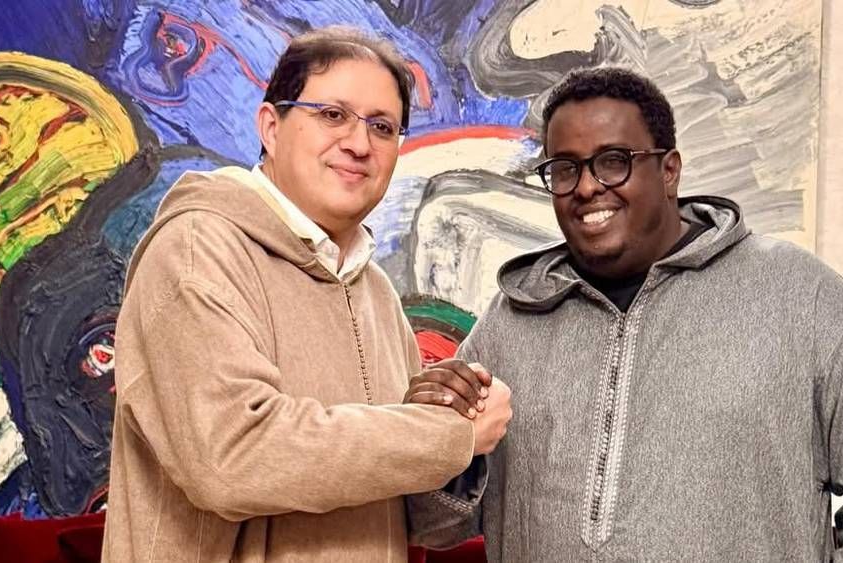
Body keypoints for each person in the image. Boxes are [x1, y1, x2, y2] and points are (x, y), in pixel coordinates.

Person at [101, 26, 513, 562]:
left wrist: (459, 427)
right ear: (271, 127)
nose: (359, 144)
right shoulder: (197, 250)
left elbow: (412, 518)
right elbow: (232, 458)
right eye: (333, 114)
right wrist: (445, 438)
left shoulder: (376, 292)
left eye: (382, 127)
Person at [405, 66, 843, 560]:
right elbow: (434, 526)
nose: (586, 187)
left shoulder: (799, 294)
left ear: (669, 170)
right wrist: (433, 434)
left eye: (613, 161)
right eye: (565, 168)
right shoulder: (508, 321)